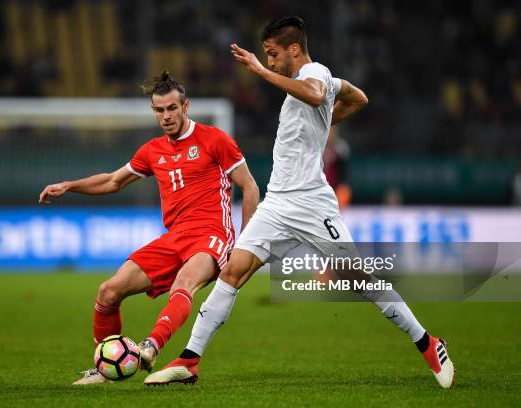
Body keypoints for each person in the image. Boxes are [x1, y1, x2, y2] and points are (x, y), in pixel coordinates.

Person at [145, 17, 455, 389]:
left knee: (359, 278)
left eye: (273, 54)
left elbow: (315, 93)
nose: (271, 62)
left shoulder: (315, 72)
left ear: (294, 49)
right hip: (277, 202)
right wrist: (327, 115)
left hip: (312, 203)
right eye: (266, 58)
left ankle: (428, 343)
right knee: (233, 273)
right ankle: (189, 360)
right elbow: (358, 97)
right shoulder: (321, 80)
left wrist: (263, 73)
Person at [38, 70, 259, 385]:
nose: (166, 116)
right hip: (174, 238)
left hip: (212, 234)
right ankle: (106, 367)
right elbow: (113, 181)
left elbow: (250, 187)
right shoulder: (152, 150)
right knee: (108, 291)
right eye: (159, 110)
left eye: (171, 108)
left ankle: (151, 346)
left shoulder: (214, 139)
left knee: (185, 282)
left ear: (185, 106)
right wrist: (69, 185)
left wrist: (245, 243)